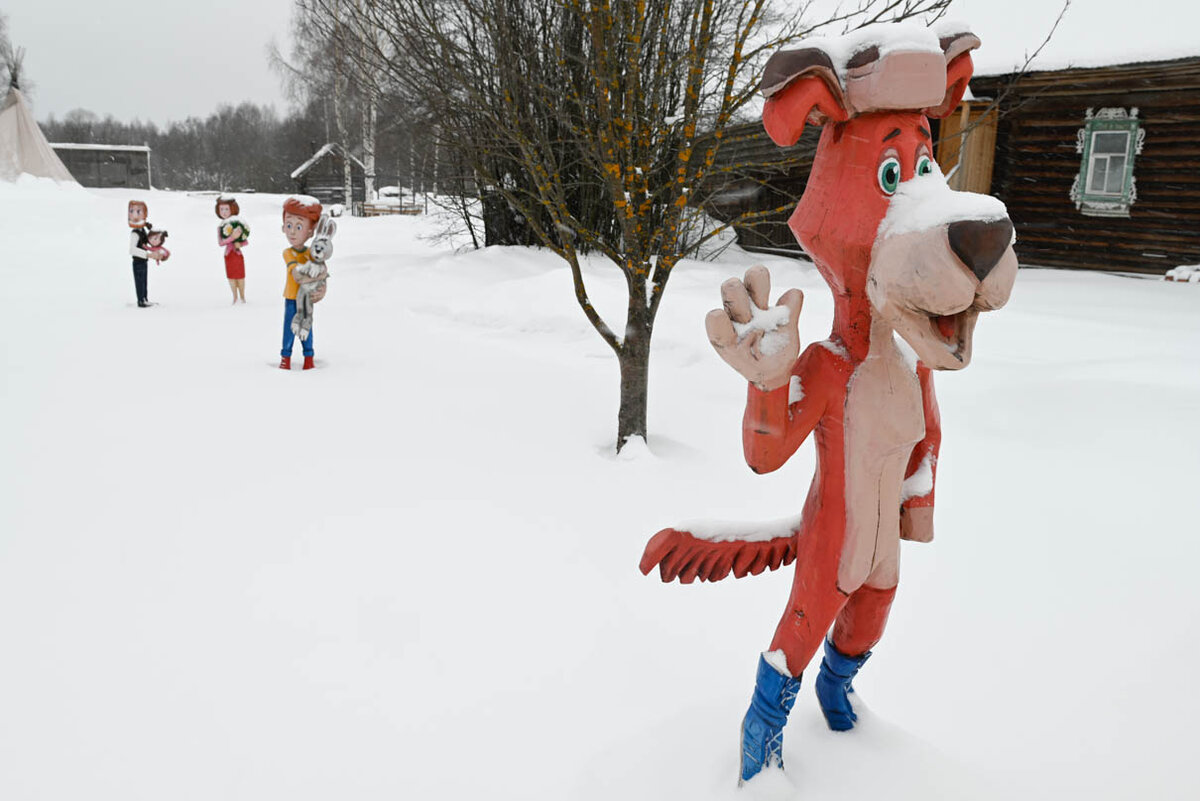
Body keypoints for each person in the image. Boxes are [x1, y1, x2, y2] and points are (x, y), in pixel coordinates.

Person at [279, 195, 326, 370]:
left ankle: (309, 357)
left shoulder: (311, 253)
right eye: (288, 225)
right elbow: (296, 274)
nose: (292, 232)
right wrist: (314, 274)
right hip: (291, 297)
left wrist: (321, 288)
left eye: (299, 226)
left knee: (307, 326)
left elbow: (322, 269)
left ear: (310, 231)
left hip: (306, 299)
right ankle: (286, 357)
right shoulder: (288, 253)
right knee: (289, 328)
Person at [127, 200, 163, 307]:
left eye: (139, 212)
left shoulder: (142, 229)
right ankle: (141, 301)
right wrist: (148, 254)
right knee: (140, 281)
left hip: (143, 261)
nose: (135, 215)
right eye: (132, 211)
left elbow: (146, 241)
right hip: (138, 261)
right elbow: (132, 249)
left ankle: (144, 298)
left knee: (144, 281)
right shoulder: (135, 233)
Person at [216, 195, 248, 303]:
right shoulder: (221, 227)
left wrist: (240, 243)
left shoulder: (238, 224)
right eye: (221, 209)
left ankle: (242, 296)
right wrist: (232, 238)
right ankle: (235, 297)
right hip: (228, 254)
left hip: (237, 253)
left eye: (226, 209)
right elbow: (221, 243)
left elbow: (245, 240)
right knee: (231, 276)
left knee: (240, 275)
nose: (224, 212)